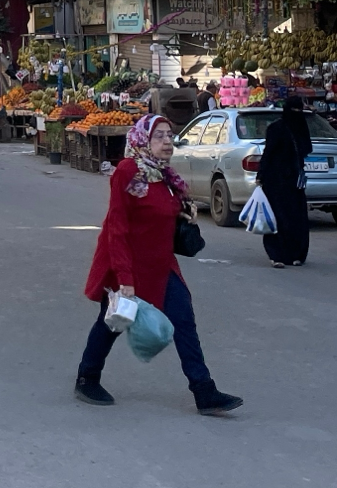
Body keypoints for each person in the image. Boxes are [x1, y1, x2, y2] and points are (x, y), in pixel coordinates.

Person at [75, 114, 242, 414]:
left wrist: (183, 212)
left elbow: (161, 211)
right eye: (159, 136)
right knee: (112, 322)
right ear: (143, 140)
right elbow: (117, 228)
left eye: (169, 135)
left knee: (184, 320)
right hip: (126, 262)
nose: (167, 141)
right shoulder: (128, 172)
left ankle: (204, 390)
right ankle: (87, 378)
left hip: (161, 264)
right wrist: (125, 279)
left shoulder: (165, 175)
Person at [257, 94, 313, 267]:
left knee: (283, 217)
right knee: (289, 217)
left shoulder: (280, 127)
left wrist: (261, 175)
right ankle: (288, 255)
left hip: (282, 181)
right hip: (286, 181)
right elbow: (306, 149)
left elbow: (269, 153)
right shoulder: (295, 127)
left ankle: (282, 255)